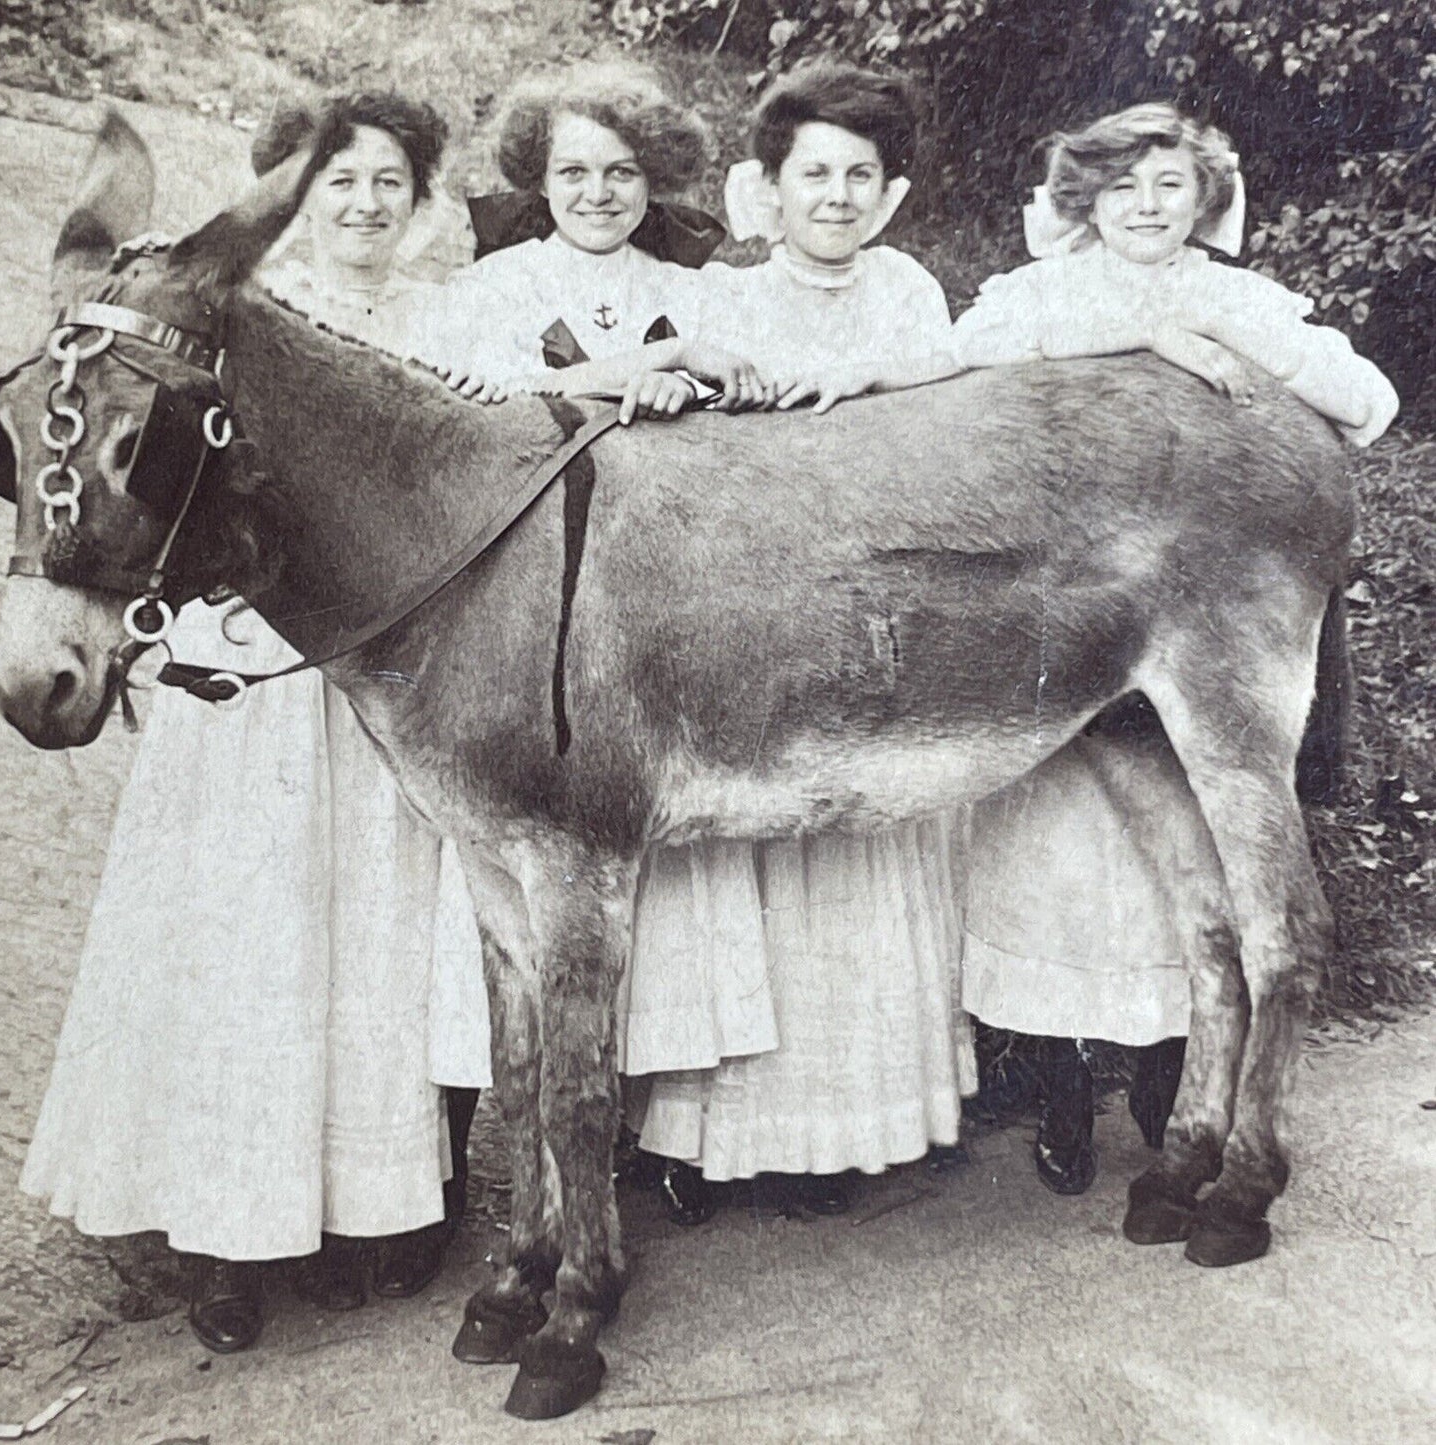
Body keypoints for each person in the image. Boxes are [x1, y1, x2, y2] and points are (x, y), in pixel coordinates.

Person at [790, 100, 1397, 1190]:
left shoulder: (1232, 296)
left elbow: (1367, 402)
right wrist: (1131, 333)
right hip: (1063, 618)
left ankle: (1225, 1119)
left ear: (1205, 198)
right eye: (1120, 188)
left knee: (1223, 856)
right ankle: (1075, 1090)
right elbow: (952, 355)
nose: (1145, 208)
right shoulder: (1042, 293)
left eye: (1168, 187)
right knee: (1064, 875)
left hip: (1192, 591)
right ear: (1083, 201)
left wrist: (1226, 340)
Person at [19, 92, 491, 1354]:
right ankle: (219, 1234)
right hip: (241, 667)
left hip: (382, 665)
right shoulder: (220, 323)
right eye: (336, 182)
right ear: (288, 194)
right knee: (236, 948)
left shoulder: (451, 319)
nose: (362, 203)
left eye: (388, 181)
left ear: (420, 200)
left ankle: (376, 1202)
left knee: (375, 940)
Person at [532, 61, 980, 1209]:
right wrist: (686, 397)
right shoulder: (724, 300)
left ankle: (862, 1123)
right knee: (755, 869)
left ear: (887, 194)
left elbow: (949, 440)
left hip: (885, 601)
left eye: (858, 176)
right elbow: (675, 455)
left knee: (871, 846)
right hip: (756, 616)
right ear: (767, 188)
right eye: (811, 173)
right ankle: (725, 1137)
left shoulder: (911, 293)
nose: (833, 196)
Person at [419, 61, 779, 1228]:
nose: (598, 191)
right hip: (519, 612)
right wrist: (644, 370)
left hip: (656, 610)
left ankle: (633, 1133)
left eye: (622, 172)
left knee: (648, 889)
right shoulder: (492, 284)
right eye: (572, 170)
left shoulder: (693, 284)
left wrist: (698, 383)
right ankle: (534, 1159)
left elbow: (748, 408)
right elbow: (477, 404)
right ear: (536, 176)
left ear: (653, 178)